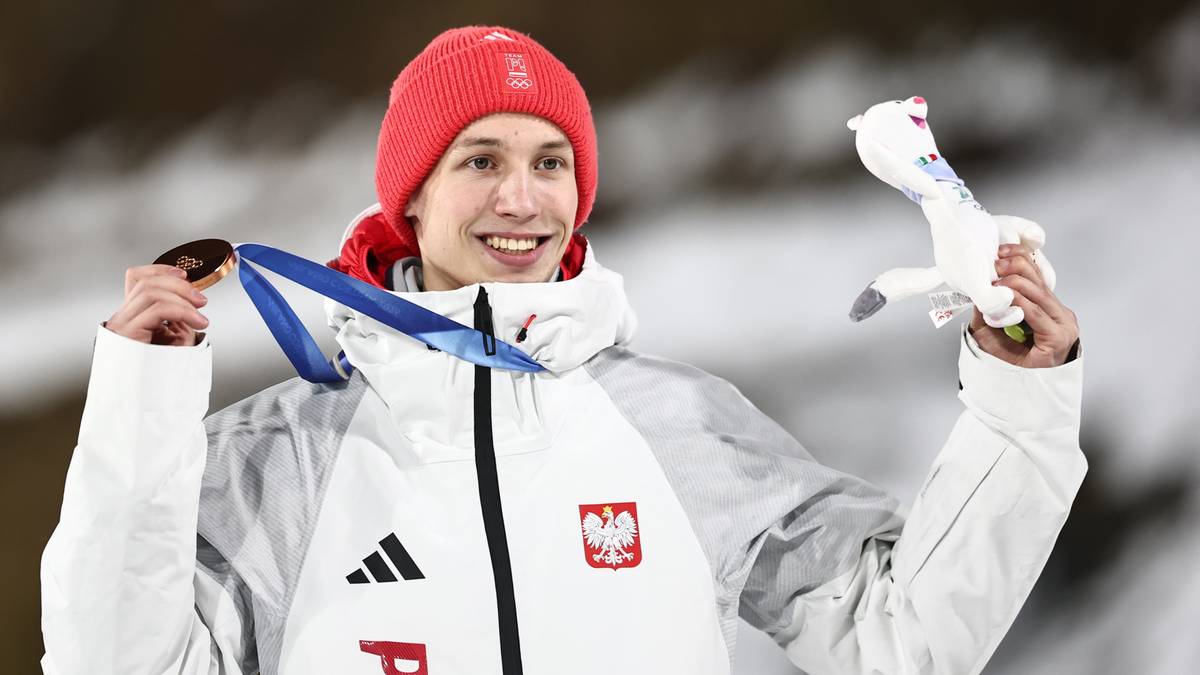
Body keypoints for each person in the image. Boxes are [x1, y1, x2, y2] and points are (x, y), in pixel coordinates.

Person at [40, 25, 1084, 675]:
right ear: (412, 199)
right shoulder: (284, 458)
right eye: (479, 160)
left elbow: (902, 639)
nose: (521, 198)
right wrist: (142, 403)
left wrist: (1020, 405)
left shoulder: (680, 426)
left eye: (550, 162)